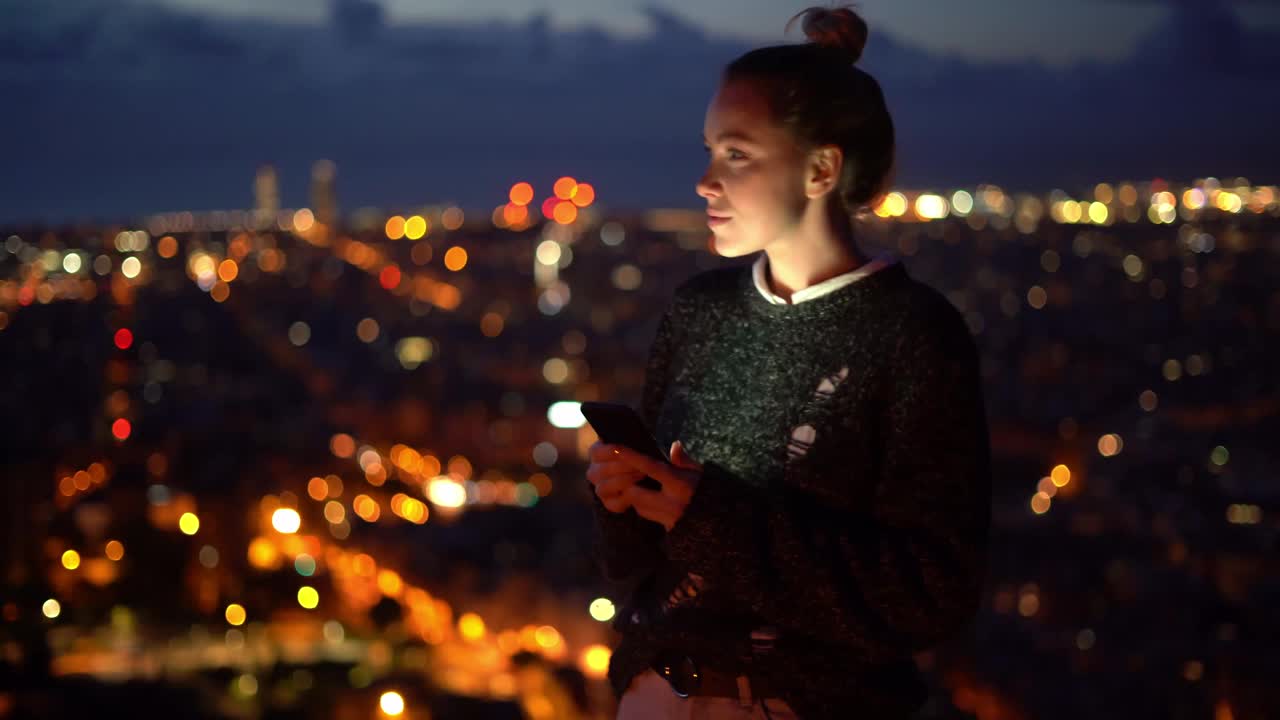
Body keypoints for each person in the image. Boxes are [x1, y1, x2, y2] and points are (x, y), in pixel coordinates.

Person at [585, 5, 992, 719]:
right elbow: (643, 571)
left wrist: (708, 514)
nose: (705, 181)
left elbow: (930, 594)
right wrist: (630, 501)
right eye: (709, 150)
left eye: (736, 154)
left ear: (821, 168)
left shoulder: (913, 334)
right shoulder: (699, 309)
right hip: (657, 694)